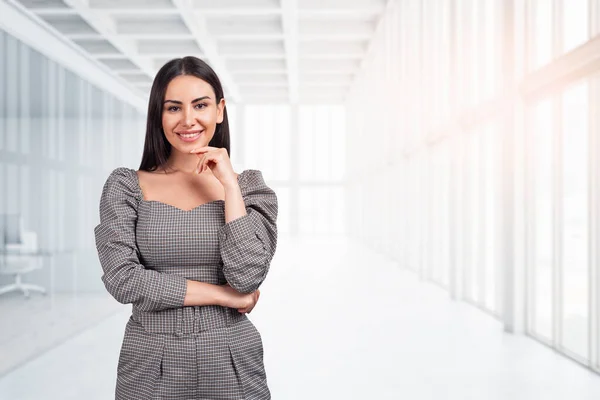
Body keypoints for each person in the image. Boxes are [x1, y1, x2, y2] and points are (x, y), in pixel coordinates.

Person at [94, 56, 278, 399]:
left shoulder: (249, 188)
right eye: (174, 108)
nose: (188, 120)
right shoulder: (126, 186)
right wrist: (222, 295)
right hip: (149, 359)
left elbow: (247, 276)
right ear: (158, 116)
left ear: (220, 110)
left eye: (201, 105)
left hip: (231, 357)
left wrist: (229, 186)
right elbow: (123, 279)